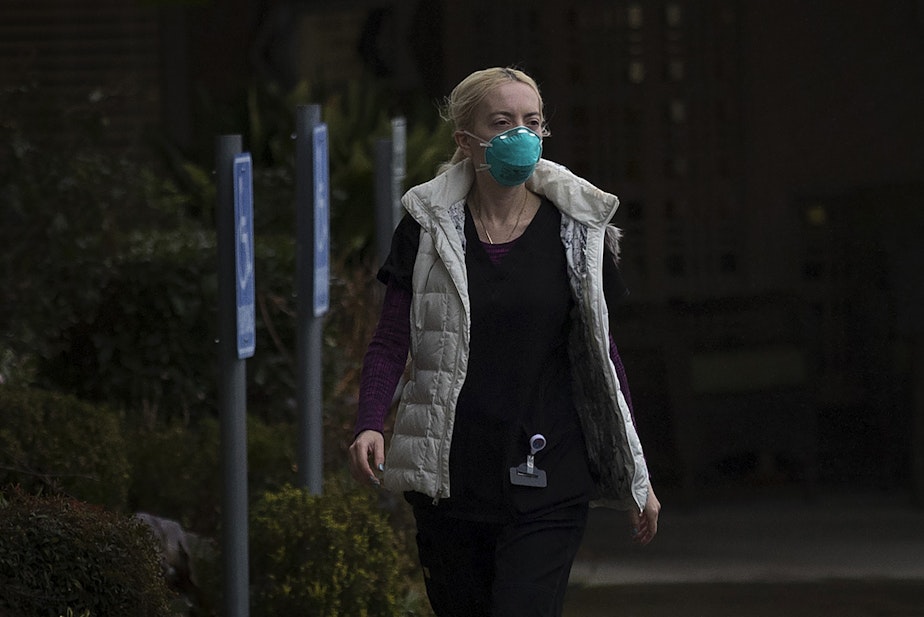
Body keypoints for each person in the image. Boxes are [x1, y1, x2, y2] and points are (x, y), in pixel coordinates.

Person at [348, 66, 660, 617]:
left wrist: (638, 474)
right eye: (503, 121)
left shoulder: (578, 230)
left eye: (532, 121)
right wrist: (370, 420)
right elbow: (392, 338)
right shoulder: (426, 228)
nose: (521, 133)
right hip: (451, 477)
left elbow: (603, 356)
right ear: (466, 142)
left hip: (550, 473)